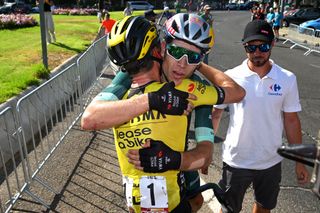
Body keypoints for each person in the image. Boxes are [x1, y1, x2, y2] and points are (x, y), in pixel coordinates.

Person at [81, 13, 245, 213]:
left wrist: (173, 160)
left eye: (192, 57)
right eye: (176, 51)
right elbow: (90, 119)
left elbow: (207, 153)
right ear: (162, 48)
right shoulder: (132, 73)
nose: (182, 65)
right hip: (138, 179)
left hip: (178, 160)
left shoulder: (195, 87)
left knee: (197, 201)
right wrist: (152, 100)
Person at [211, 19, 310, 213]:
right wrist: (205, 151)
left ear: (273, 44)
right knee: (228, 209)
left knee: (264, 209)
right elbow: (216, 114)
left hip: (270, 161)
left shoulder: (287, 79)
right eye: (251, 47)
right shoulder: (230, 77)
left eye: (263, 46)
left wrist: (300, 162)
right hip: (236, 160)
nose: (257, 53)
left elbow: (291, 121)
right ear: (244, 47)